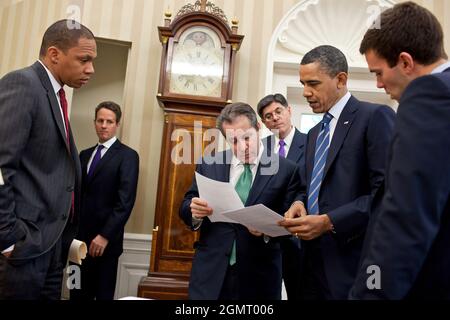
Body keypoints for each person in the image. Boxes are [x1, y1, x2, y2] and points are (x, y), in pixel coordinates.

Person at [349, 2, 450, 299]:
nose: (379, 84)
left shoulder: (429, 95)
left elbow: (407, 215)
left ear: (405, 62)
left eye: (378, 73)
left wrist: (370, 293)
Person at [279, 45, 396, 299]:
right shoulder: (312, 134)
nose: (306, 92)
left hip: (351, 266)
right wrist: (299, 202)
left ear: (341, 79)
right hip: (306, 265)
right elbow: (306, 185)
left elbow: (387, 194)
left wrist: (329, 221)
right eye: (302, 84)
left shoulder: (374, 117)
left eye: (313, 83)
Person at [0, 19, 96, 299]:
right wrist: (8, 239)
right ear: (54, 54)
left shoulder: (56, 95)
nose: (90, 69)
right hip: (23, 249)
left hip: (52, 248)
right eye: (84, 59)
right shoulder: (23, 84)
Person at [179, 102, 301, 300]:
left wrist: (267, 230)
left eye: (247, 138)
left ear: (258, 129)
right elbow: (186, 204)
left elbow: (292, 226)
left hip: (259, 278)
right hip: (211, 273)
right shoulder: (209, 164)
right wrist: (193, 211)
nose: (242, 147)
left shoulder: (287, 170)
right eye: (233, 141)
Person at [70, 101, 139, 300]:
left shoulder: (128, 156)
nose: (104, 125)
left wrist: (104, 235)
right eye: (100, 120)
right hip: (77, 243)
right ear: (94, 123)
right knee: (75, 291)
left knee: (102, 296)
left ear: (117, 124)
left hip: (105, 244)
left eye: (109, 121)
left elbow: (125, 202)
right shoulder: (84, 155)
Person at [257, 93, 307, 300]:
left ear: (289, 111)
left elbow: (312, 185)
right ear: (264, 123)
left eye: (278, 111)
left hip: (297, 235)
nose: (275, 118)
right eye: (268, 116)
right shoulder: (260, 148)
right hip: (265, 237)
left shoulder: (311, 142)